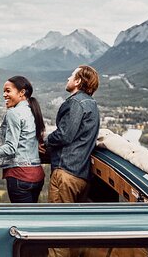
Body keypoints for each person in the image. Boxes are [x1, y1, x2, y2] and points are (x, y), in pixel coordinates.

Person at [42, 65, 100, 205]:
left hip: (66, 173)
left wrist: (46, 141)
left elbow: (64, 135)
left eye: (72, 75)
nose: (68, 78)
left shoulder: (75, 103)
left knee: (58, 221)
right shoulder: (92, 104)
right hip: (82, 174)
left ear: (78, 81)